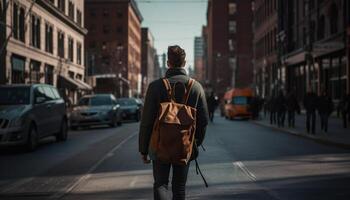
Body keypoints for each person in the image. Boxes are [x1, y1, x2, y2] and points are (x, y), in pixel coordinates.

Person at [139, 45, 209, 200]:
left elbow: (146, 122)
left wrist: (144, 149)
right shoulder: (196, 88)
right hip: (184, 147)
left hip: (159, 147)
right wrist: (193, 144)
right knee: (179, 188)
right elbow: (203, 122)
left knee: (161, 184)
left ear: (168, 63)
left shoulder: (155, 87)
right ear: (184, 63)